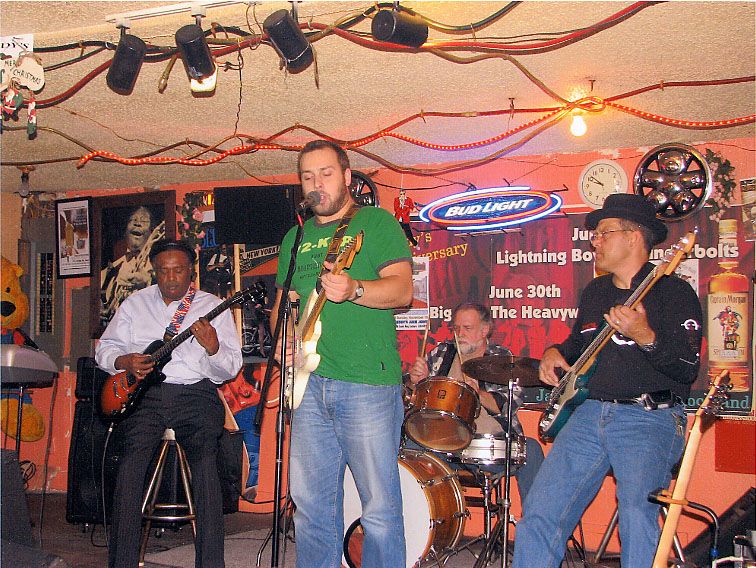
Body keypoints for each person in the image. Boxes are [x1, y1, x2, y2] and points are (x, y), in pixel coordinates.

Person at [512, 194, 703, 568]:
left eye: (603, 233)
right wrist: (553, 352)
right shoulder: (596, 293)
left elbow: (687, 367)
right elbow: (576, 345)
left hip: (649, 416)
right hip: (588, 415)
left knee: (636, 513)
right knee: (541, 509)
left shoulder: (674, 292)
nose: (594, 241)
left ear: (633, 237)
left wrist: (645, 335)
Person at [272, 139, 413, 568]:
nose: (317, 184)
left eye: (326, 173)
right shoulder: (295, 237)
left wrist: (355, 289)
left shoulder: (376, 222)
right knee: (310, 507)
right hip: (308, 386)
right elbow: (281, 307)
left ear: (347, 177)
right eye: (308, 177)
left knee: (379, 509)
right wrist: (284, 342)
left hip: (367, 383)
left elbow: (402, 291)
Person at [95, 239, 242, 568]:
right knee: (130, 465)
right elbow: (104, 349)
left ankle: (210, 563)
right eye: (163, 271)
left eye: (178, 271)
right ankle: (122, 563)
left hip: (195, 393)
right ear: (154, 272)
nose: (171, 278)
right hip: (146, 396)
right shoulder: (135, 304)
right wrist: (124, 361)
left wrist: (214, 348)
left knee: (206, 464)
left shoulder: (212, 306)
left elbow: (230, 369)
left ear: (191, 272)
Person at [408, 303, 545, 506]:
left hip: (488, 444)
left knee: (531, 450)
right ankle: (425, 521)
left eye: (467, 328)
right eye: (456, 328)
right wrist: (417, 382)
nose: (460, 333)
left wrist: (478, 394)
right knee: (410, 447)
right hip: (444, 443)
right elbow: (416, 399)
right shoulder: (442, 353)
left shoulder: (501, 359)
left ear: (484, 330)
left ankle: (537, 523)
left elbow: (510, 403)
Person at [101, 206, 164, 325]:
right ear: (125, 230)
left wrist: (148, 281)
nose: (137, 223)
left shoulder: (159, 266)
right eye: (133, 220)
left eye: (144, 220)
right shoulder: (111, 269)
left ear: (152, 231)